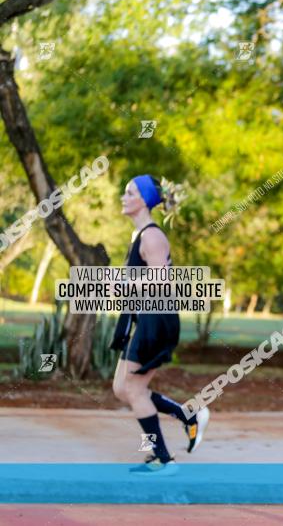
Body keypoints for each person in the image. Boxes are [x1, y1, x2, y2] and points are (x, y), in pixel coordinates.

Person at [110, 175, 209, 475]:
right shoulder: (140, 236)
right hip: (145, 317)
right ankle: (186, 415)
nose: (123, 197)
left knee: (134, 389)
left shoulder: (153, 237)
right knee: (122, 389)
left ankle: (164, 460)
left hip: (157, 318)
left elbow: (161, 283)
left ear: (144, 199)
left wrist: (123, 286)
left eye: (129, 193)